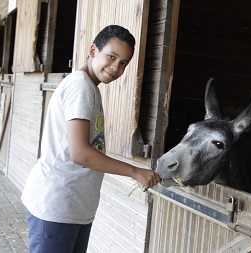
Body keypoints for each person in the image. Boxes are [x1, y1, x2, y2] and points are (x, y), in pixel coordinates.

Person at [21, 25, 161, 253]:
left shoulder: (90, 87)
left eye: (123, 63)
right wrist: (136, 172)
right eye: (112, 56)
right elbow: (80, 153)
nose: (116, 67)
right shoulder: (80, 87)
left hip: (74, 208)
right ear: (93, 50)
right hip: (57, 206)